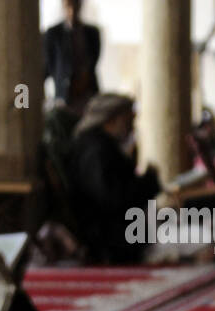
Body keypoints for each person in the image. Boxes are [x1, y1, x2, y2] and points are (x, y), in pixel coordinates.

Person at [67, 93, 161, 264]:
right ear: (112, 120)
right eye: (129, 120)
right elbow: (113, 201)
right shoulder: (96, 151)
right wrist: (148, 183)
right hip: (112, 239)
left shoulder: (100, 146)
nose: (132, 126)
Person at [43, 0, 101, 114]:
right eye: (68, 6)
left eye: (75, 6)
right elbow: (49, 63)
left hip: (87, 93)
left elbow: (94, 59)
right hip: (65, 93)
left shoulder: (92, 33)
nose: (72, 11)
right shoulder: (54, 33)